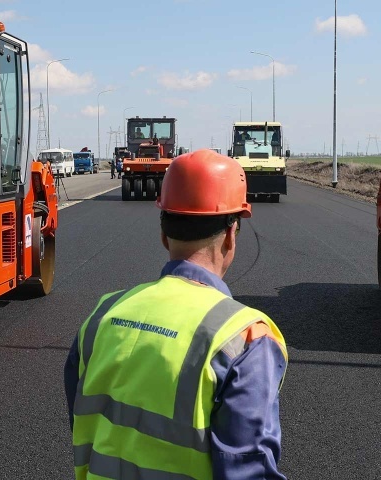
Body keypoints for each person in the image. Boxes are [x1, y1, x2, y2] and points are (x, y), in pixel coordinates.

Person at [64, 149, 288, 479]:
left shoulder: (102, 317)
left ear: (163, 234)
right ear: (230, 235)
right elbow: (247, 468)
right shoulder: (245, 338)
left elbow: (85, 422)